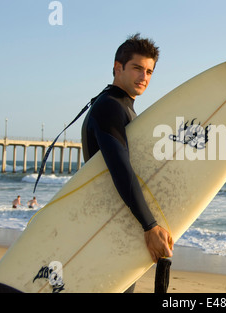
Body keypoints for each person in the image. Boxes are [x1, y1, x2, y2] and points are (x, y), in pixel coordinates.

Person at [81, 34, 174, 264]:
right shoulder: (110, 107)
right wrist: (149, 225)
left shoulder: (118, 106)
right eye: (137, 68)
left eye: (149, 71)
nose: (144, 77)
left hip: (116, 221)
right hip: (108, 228)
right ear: (118, 67)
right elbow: (121, 169)